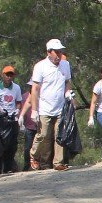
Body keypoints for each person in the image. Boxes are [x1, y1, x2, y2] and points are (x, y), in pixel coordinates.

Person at [28, 39, 73, 170]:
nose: (59, 55)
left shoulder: (65, 65)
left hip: (60, 107)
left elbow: (67, 82)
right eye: (56, 52)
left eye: (60, 52)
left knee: (59, 135)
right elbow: (35, 89)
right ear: (49, 52)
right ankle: (34, 155)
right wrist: (34, 110)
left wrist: (68, 94)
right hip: (44, 108)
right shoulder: (40, 66)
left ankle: (58, 162)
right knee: (43, 135)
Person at [0, 65, 23, 173]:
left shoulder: (16, 87)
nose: (9, 77)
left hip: (11, 119)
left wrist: (17, 111)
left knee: (11, 145)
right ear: (2, 75)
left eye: (11, 75)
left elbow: (18, 102)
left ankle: (8, 167)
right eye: (7, 75)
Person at [18, 94, 38, 171]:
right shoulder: (24, 96)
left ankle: (40, 163)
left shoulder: (41, 93)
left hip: (39, 125)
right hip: (29, 127)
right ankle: (27, 165)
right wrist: (21, 119)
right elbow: (22, 109)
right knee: (28, 147)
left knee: (40, 146)